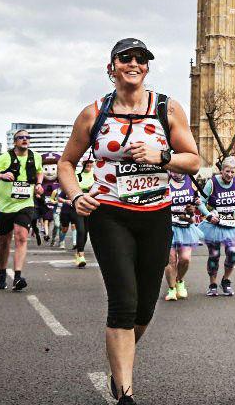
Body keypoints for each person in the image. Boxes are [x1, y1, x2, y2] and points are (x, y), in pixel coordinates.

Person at [58, 38, 203, 405]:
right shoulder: (94, 113)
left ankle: (120, 356)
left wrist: (162, 155)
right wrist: (77, 195)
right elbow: (66, 163)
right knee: (122, 302)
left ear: (147, 68)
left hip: (155, 214)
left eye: (141, 59)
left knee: (144, 308)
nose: (134, 63)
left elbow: (193, 160)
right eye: (126, 58)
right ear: (112, 68)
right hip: (110, 214)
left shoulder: (168, 109)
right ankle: (125, 392)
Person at [0, 130, 44, 292]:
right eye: (21, 137)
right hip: (4, 205)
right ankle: (2, 272)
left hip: (25, 203)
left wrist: (38, 184)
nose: (25, 140)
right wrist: (1, 175)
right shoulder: (5, 157)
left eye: (27, 137)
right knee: (4, 240)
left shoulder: (35, 157)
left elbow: (39, 171)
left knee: (21, 236)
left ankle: (17, 277)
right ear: (15, 141)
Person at [198, 157, 235, 298]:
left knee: (232, 253)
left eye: (232, 172)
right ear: (221, 170)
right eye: (227, 171)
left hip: (231, 223)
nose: (230, 175)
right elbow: (200, 201)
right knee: (214, 255)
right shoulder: (212, 183)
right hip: (215, 224)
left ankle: (225, 281)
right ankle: (212, 284)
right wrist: (208, 215)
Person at [163, 168, 203, 301]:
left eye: (178, 170)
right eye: (172, 170)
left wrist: (192, 209)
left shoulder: (191, 180)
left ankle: (180, 281)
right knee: (171, 259)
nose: (175, 173)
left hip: (186, 226)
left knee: (185, 259)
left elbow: (196, 202)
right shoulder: (165, 180)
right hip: (169, 226)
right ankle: (171, 289)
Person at [59, 157, 95, 266]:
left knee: (86, 231)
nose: (88, 164)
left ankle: (79, 251)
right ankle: (80, 255)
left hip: (92, 204)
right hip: (78, 204)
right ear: (82, 164)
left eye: (90, 163)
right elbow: (71, 186)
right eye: (86, 163)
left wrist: (92, 188)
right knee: (81, 229)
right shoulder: (77, 173)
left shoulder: (95, 173)